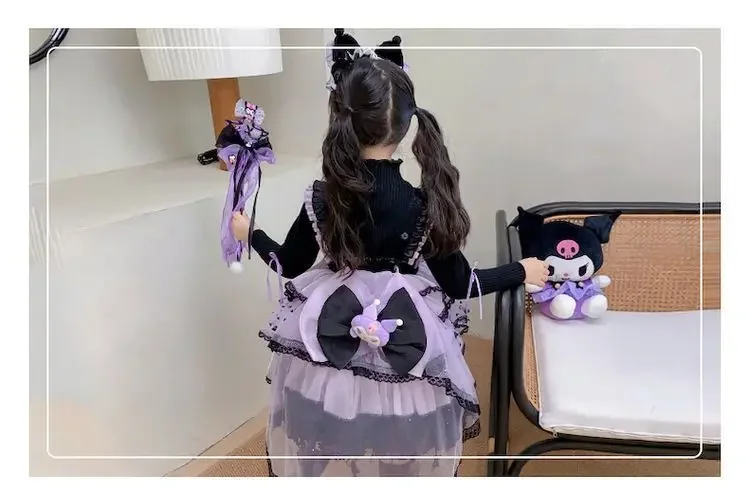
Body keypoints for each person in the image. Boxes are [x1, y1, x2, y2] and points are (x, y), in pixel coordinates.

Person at [230, 36, 549, 478]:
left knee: (323, 418)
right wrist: (521, 269)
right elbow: (461, 283)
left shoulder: (323, 197)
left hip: (329, 322)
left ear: (342, 117)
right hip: (407, 323)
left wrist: (250, 234)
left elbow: (289, 263)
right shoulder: (422, 204)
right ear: (406, 125)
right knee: (402, 424)